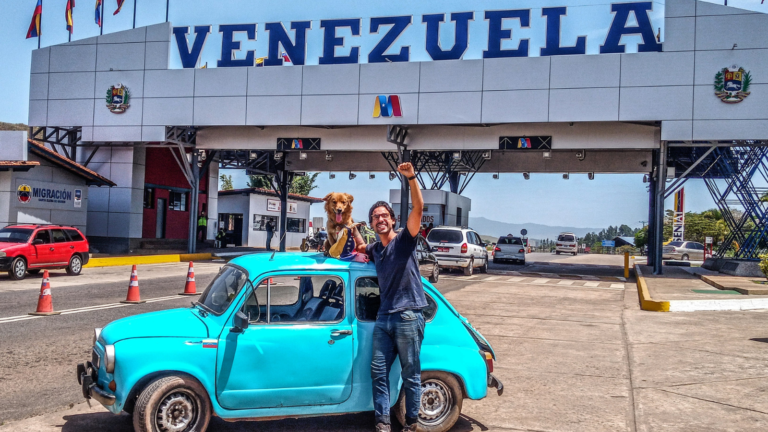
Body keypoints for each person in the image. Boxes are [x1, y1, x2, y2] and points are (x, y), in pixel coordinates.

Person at [357, 162, 426, 432]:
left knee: (411, 374)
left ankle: (411, 423)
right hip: (384, 317)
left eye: (384, 215)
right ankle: (383, 422)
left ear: (393, 219)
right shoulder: (376, 248)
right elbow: (362, 247)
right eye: (375, 217)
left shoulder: (405, 240)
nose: (380, 219)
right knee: (378, 372)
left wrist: (411, 178)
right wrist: (353, 229)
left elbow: (418, 209)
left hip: (409, 314)